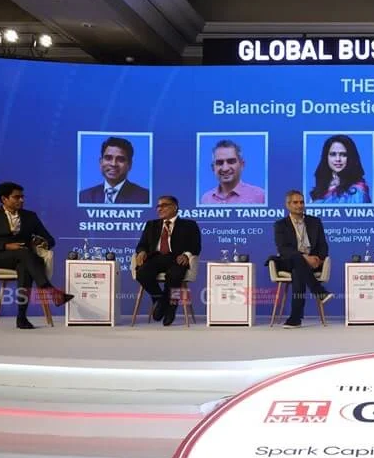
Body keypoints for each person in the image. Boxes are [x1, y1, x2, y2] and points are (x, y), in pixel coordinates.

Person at [0, 182, 74, 329]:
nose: (21, 200)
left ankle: (21, 318)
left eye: (22, 197)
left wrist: (41, 242)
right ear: (4, 199)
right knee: (27, 255)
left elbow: (50, 240)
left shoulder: (30, 216)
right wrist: (6, 246)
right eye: (16, 197)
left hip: (25, 259)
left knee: (24, 266)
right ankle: (50, 290)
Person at [134, 195, 202, 326]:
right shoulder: (151, 225)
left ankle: (171, 307)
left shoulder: (189, 225)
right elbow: (142, 245)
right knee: (142, 273)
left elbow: (196, 246)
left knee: (175, 276)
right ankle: (160, 300)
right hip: (156, 258)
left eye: (164, 205)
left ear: (174, 207)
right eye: (158, 206)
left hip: (177, 258)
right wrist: (141, 251)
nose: (159, 209)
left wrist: (186, 255)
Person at [274, 190, 333, 328]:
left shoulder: (315, 222)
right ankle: (319, 291)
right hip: (289, 261)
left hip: (312, 262)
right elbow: (283, 249)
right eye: (295, 202)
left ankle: (295, 318)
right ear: (288, 205)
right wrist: (304, 258)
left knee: (298, 271)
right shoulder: (280, 225)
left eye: (301, 202)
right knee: (297, 259)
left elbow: (323, 245)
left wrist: (319, 259)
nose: (299, 205)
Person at [79, 137, 150, 205]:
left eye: (120, 159)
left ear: (129, 164)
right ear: (101, 162)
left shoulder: (145, 198)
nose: (113, 164)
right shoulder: (84, 197)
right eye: (108, 158)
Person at [199, 139, 266, 205]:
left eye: (231, 162)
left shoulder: (260, 197)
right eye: (220, 163)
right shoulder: (206, 199)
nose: (225, 168)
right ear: (213, 168)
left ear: (242, 164)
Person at [309, 135, 371, 204]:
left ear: (351, 157)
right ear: (326, 157)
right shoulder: (321, 187)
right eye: (333, 154)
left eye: (343, 155)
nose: (338, 159)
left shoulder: (358, 191)